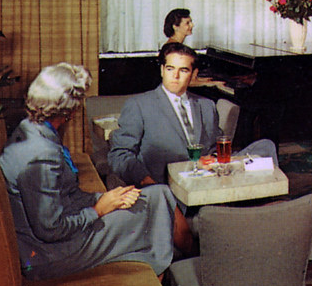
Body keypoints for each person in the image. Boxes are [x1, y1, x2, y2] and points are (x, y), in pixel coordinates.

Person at [0, 63, 177, 280]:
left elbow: (62, 196)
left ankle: (163, 264)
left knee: (158, 195)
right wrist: (98, 209)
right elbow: (50, 230)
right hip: (49, 255)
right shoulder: (40, 156)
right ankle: (165, 273)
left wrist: (106, 197)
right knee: (156, 208)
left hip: (51, 240)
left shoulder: (30, 128)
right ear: (69, 110)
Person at [109, 42, 278, 251]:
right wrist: (149, 183)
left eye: (184, 70)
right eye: (170, 69)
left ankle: (259, 222)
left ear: (194, 74)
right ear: (162, 69)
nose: (175, 76)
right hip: (171, 190)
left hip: (209, 181)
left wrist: (214, 158)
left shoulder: (206, 106)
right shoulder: (139, 105)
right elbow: (119, 155)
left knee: (266, 147)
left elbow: (215, 146)